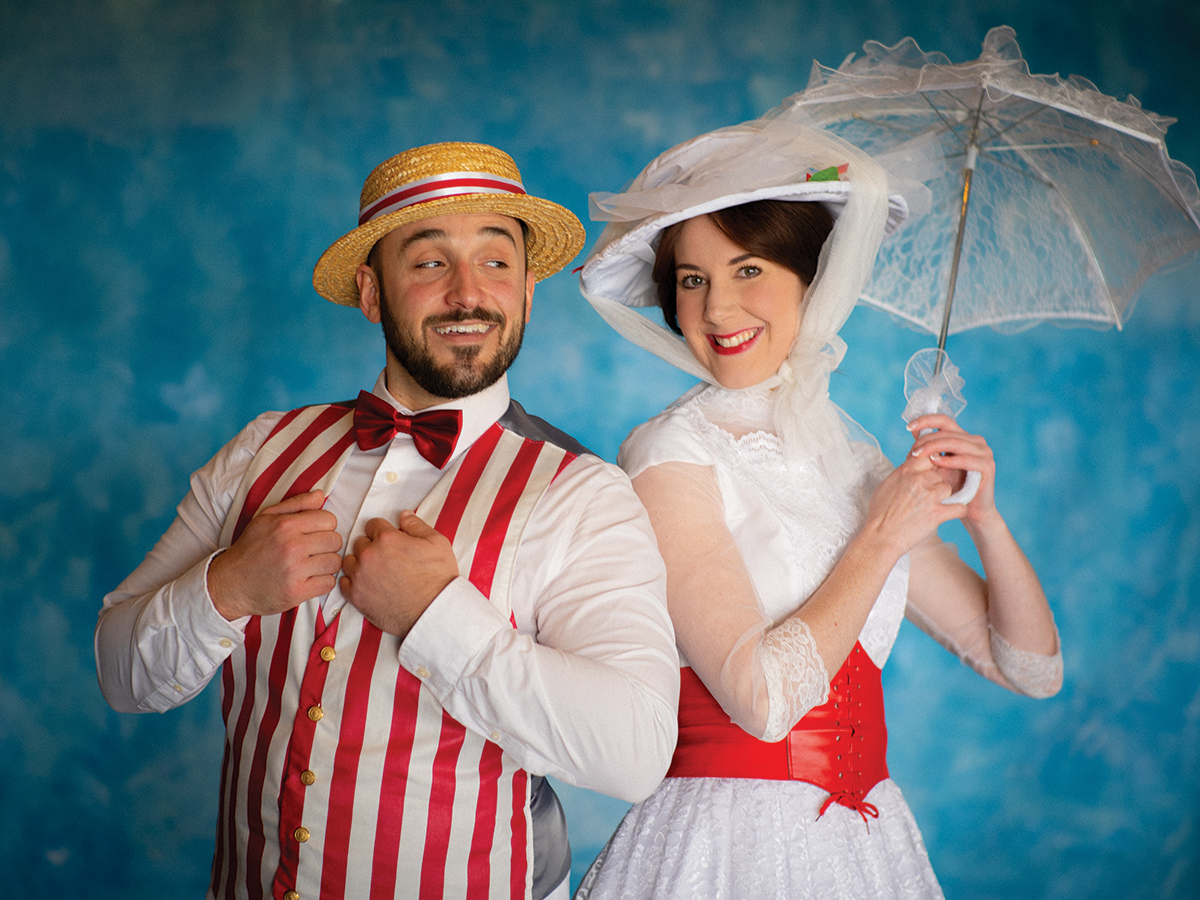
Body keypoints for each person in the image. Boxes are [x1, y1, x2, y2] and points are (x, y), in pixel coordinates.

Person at [95, 141, 679, 900]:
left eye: (496, 262)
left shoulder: (583, 495)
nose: (468, 294)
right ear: (372, 293)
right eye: (430, 262)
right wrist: (226, 587)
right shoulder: (260, 449)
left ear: (528, 292)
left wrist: (438, 615)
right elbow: (120, 674)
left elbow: (635, 752)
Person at [574, 117, 1063, 898]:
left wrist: (985, 521)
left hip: (864, 841)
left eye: (748, 269)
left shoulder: (853, 459)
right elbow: (762, 702)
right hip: (723, 839)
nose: (717, 309)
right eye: (693, 280)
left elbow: (1031, 668)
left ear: (812, 279)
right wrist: (883, 534)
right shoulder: (670, 453)